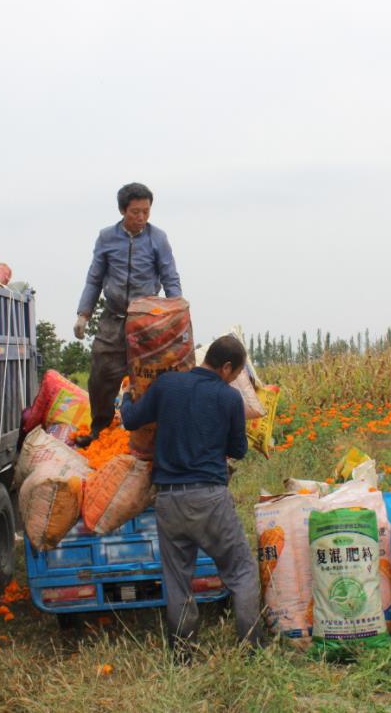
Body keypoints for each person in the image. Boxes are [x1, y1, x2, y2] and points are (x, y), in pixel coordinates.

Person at [118, 335, 262, 659]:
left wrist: (126, 396)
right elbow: (238, 450)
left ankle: (183, 653)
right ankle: (252, 647)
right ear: (226, 367)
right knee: (240, 571)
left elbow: (130, 419)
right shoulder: (228, 398)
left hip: (168, 501)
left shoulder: (167, 385)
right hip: (209, 498)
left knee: (177, 579)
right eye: (236, 372)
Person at [74, 182, 181, 447]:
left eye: (146, 211)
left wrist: (176, 313)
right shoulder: (107, 238)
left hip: (148, 320)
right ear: (123, 210)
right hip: (114, 317)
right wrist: (83, 314)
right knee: (101, 372)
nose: (141, 217)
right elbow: (94, 278)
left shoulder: (158, 238)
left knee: (148, 374)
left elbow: (170, 276)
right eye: (135, 212)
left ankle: (147, 431)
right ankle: (100, 428)